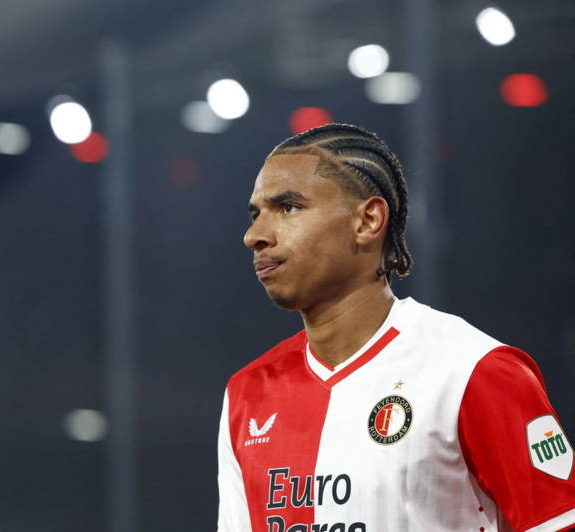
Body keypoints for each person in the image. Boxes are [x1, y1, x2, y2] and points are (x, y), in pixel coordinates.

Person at [216, 123, 575, 532]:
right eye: (255, 214)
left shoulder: (472, 370)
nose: (254, 236)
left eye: (289, 207)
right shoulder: (247, 393)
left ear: (368, 220)